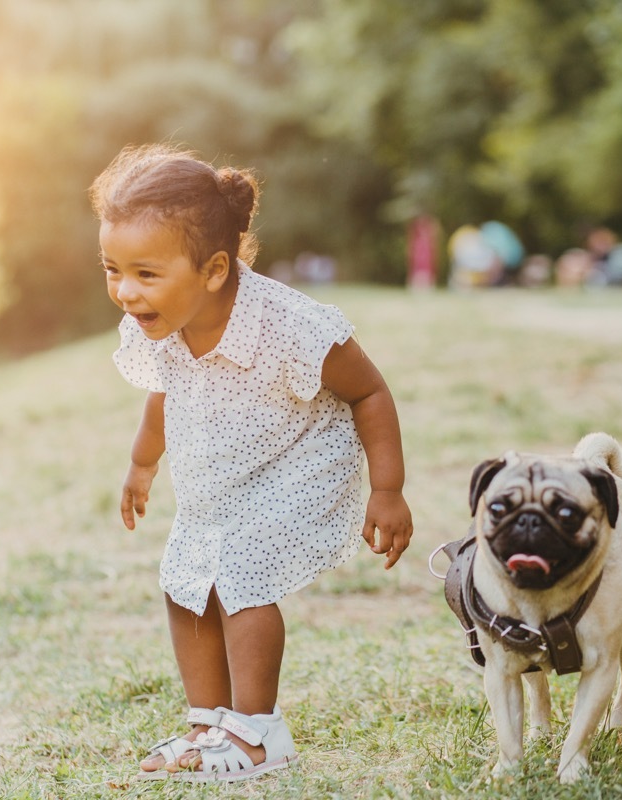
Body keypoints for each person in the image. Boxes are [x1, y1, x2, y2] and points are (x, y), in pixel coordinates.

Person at [89, 144, 414, 783]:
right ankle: (209, 725)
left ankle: (260, 733)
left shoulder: (291, 325)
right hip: (223, 478)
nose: (125, 292)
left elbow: (370, 392)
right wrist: (141, 464)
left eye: (145, 273)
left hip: (301, 465)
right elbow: (164, 393)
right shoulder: (161, 320)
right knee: (184, 580)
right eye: (111, 269)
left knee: (241, 573)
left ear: (214, 269)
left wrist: (388, 490)